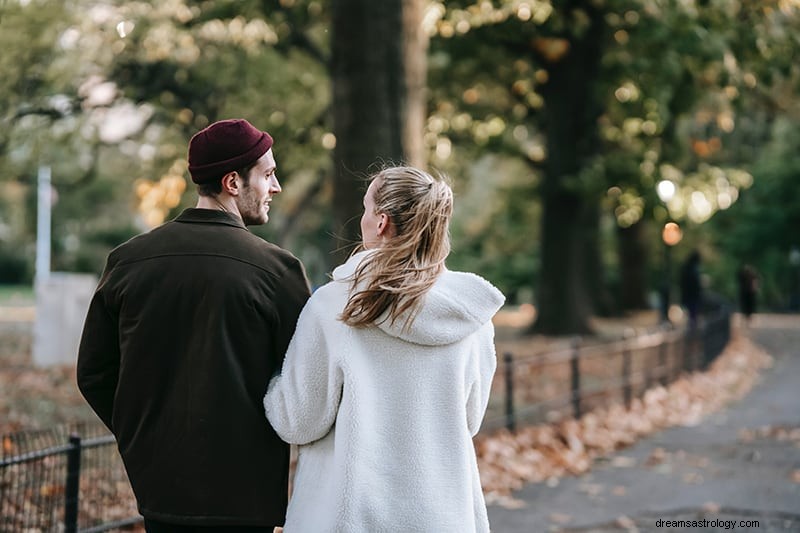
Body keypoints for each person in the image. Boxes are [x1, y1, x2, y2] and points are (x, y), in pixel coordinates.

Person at [77, 119, 311, 532]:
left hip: (158, 488)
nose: (276, 188)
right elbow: (306, 381)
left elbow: (95, 373)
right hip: (246, 493)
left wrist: (144, 433)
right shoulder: (277, 271)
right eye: (269, 175)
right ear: (233, 182)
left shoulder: (128, 261)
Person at [263, 166, 505, 532]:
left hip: (349, 517)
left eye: (365, 208)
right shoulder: (470, 318)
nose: (361, 218)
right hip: (442, 516)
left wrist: (271, 385)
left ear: (381, 222)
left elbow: (298, 421)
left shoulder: (336, 307)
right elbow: (468, 421)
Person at [680, 250, 702, 330]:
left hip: (688, 295)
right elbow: (695, 284)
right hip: (693, 295)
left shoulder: (686, 268)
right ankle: (692, 329)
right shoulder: (694, 269)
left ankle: (691, 328)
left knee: (691, 313)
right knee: (693, 314)